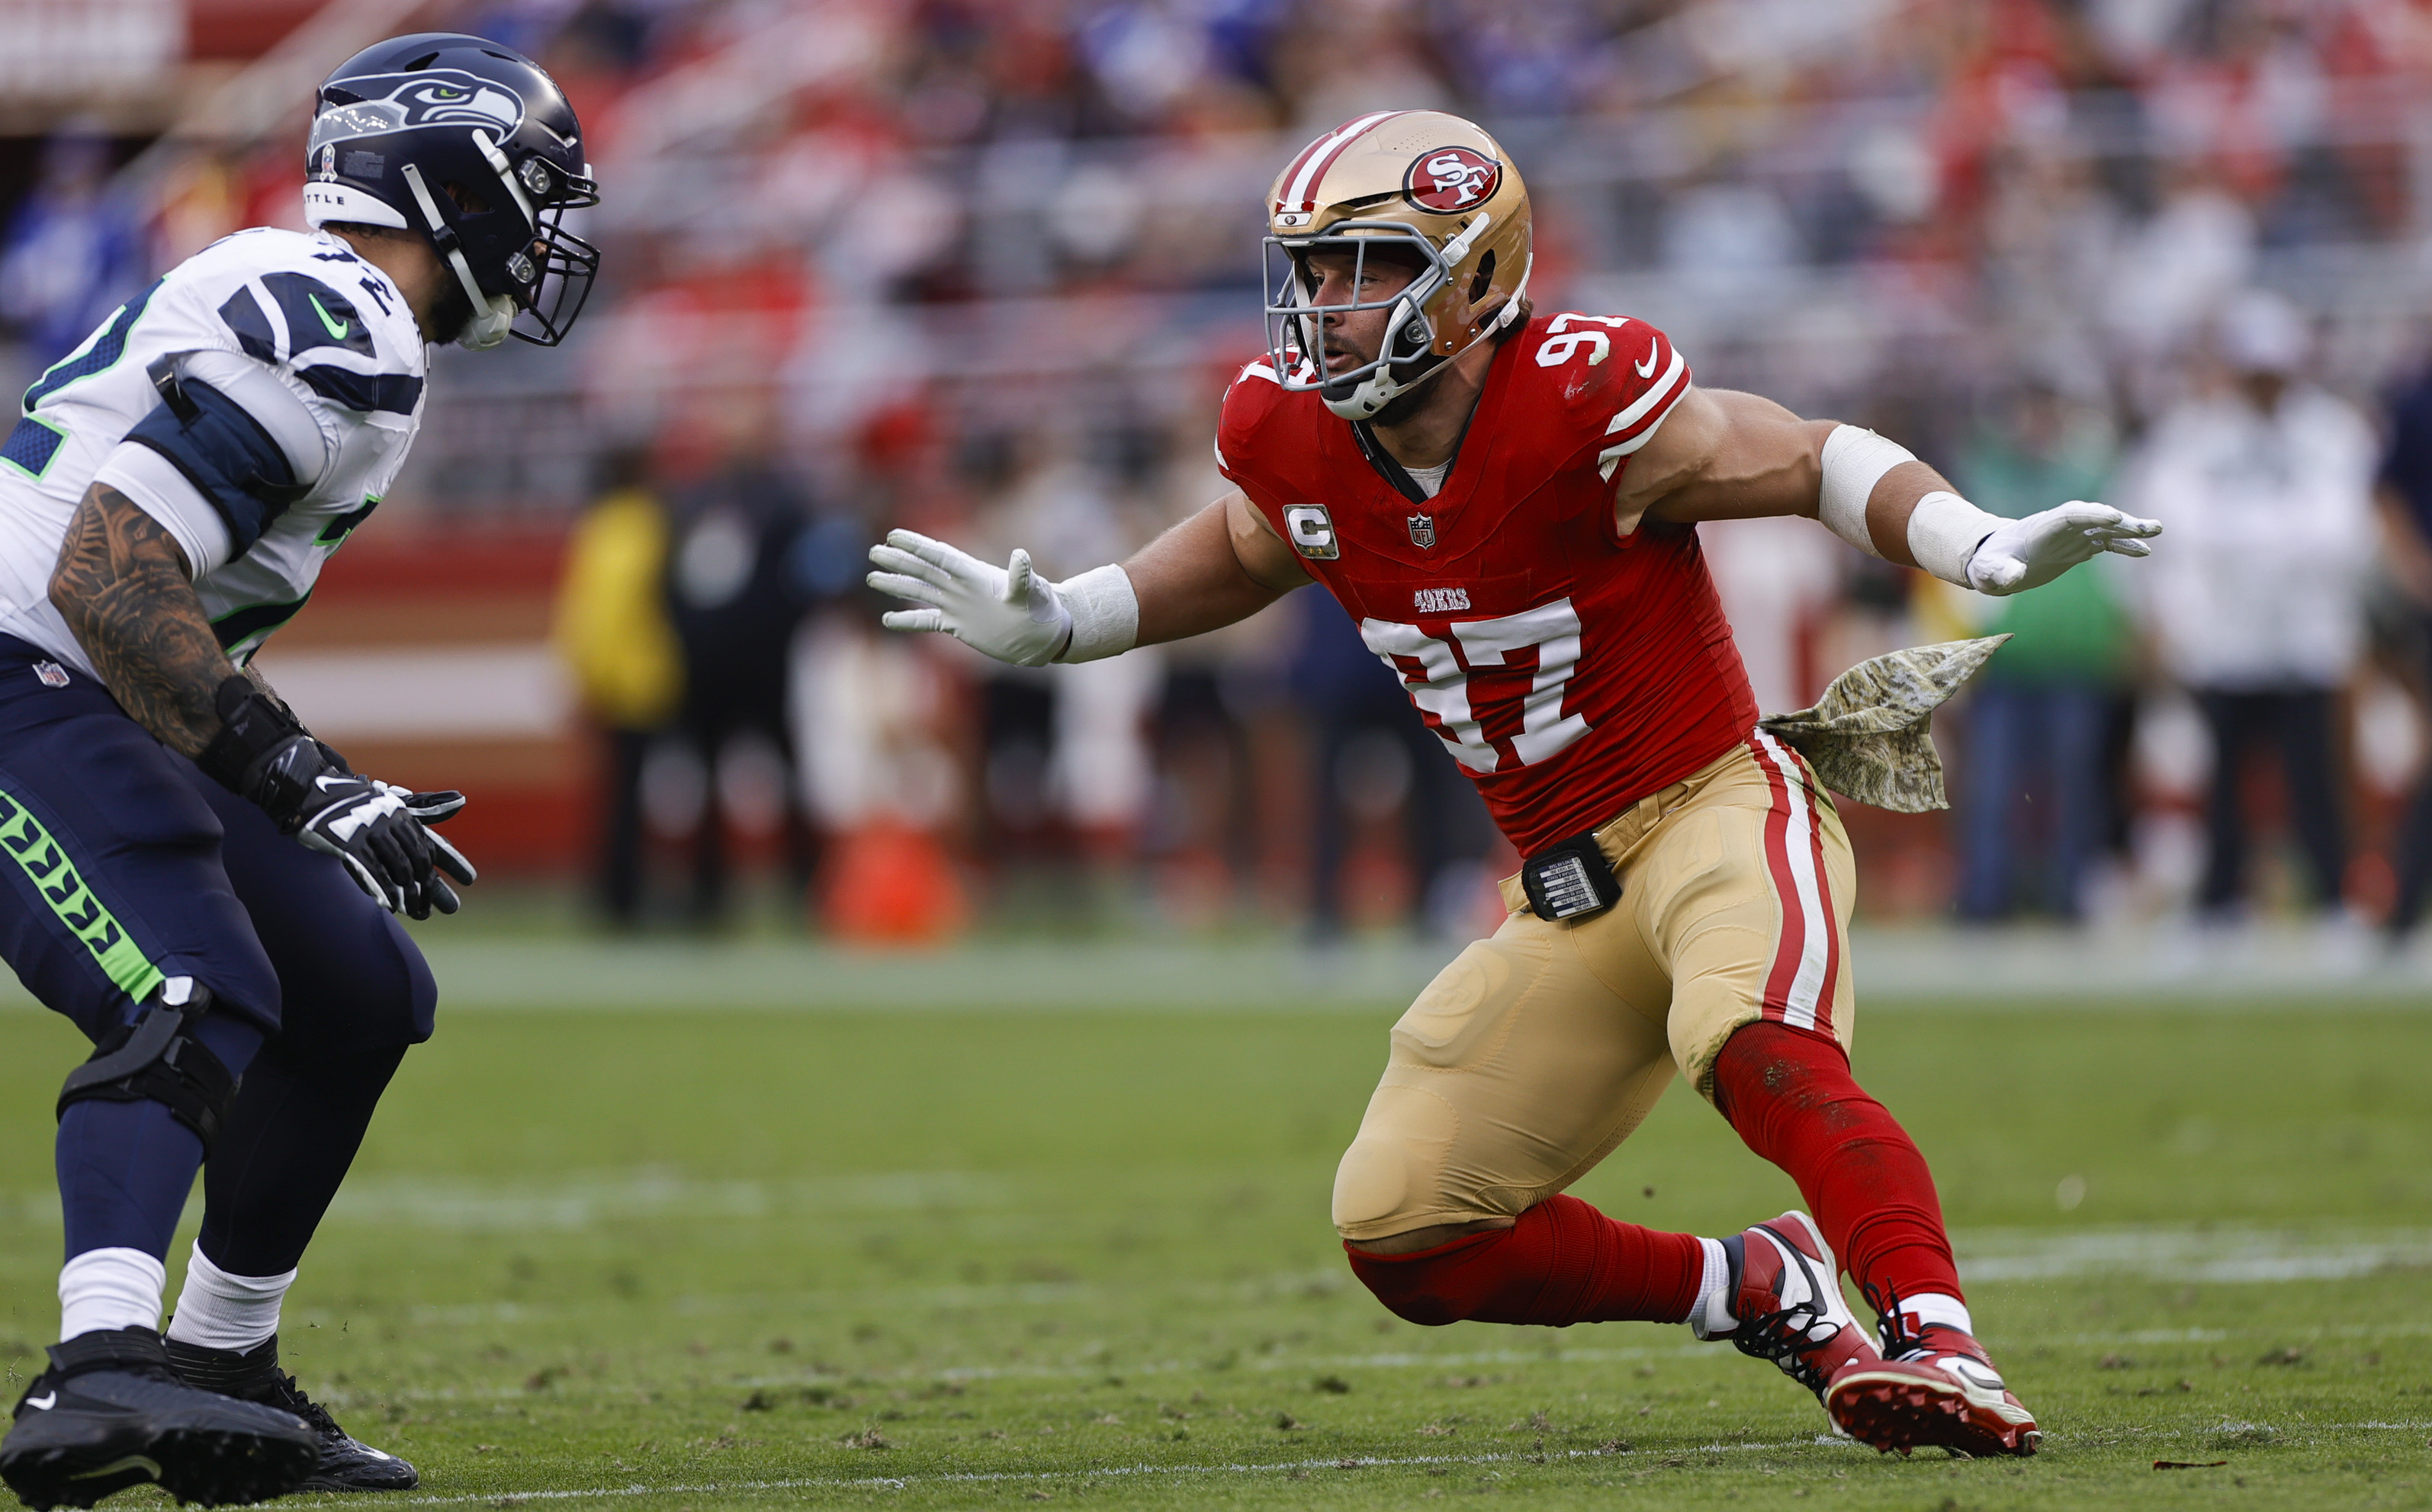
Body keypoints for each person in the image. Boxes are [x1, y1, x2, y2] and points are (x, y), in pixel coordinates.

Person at [870, 111, 2158, 1458]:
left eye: (1362, 265)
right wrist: (1070, 618)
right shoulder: (1291, 433)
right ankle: (1750, 1285)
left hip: (1713, 799)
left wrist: (1973, 541)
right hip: (1563, 888)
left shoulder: (1578, 396)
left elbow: (1808, 453)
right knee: (1403, 1224)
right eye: (1308, 272)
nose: (1322, 304)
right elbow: (1262, 539)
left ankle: (1940, 1340)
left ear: (1475, 274)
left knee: (1759, 1048)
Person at [0, 34, 601, 1508]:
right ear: (446, 180)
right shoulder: (345, 321)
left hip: (74, 682)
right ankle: (99, 1358)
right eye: (531, 190)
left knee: (357, 986)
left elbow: (147, 592)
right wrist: (303, 774)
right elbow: (105, 578)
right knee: (191, 982)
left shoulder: (322, 310)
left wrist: (308, 772)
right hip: (21, 672)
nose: (544, 230)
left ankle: (217, 1366)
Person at [2130, 291, 2374, 932]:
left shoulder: (2329, 432)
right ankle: (2218, 906)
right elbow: (2173, 524)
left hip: (2306, 638)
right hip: (2226, 640)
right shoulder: (2199, 436)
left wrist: (2246, 541)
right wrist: (2267, 541)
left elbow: (2341, 531)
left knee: (2313, 780)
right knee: (2225, 787)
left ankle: (2332, 903)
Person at [1948, 380, 2133, 921]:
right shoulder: (1987, 476)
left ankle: (2069, 897)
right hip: (2003, 660)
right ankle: (1985, 899)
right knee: (1992, 786)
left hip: (2075, 659)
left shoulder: (2088, 475)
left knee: (2074, 785)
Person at [551, 447, 683, 928]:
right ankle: (626, 896)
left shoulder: (600, 524)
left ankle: (616, 894)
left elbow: (584, 611)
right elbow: (614, 610)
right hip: (642, 679)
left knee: (620, 796)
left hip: (615, 679)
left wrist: (582, 675)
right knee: (635, 797)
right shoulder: (643, 523)